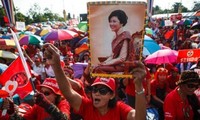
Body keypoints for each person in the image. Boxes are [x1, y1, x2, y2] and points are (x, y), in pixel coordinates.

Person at [43, 43, 147, 120]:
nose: (96, 93)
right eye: (94, 89)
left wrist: (138, 86)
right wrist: (56, 65)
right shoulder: (87, 106)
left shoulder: (119, 108)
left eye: (102, 91)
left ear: (111, 95)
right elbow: (67, 92)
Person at [1, 78, 70, 120]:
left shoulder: (63, 103)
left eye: (46, 93)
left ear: (56, 95)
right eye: (41, 92)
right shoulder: (37, 107)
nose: (42, 95)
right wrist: (12, 113)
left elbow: (64, 119)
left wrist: (46, 104)